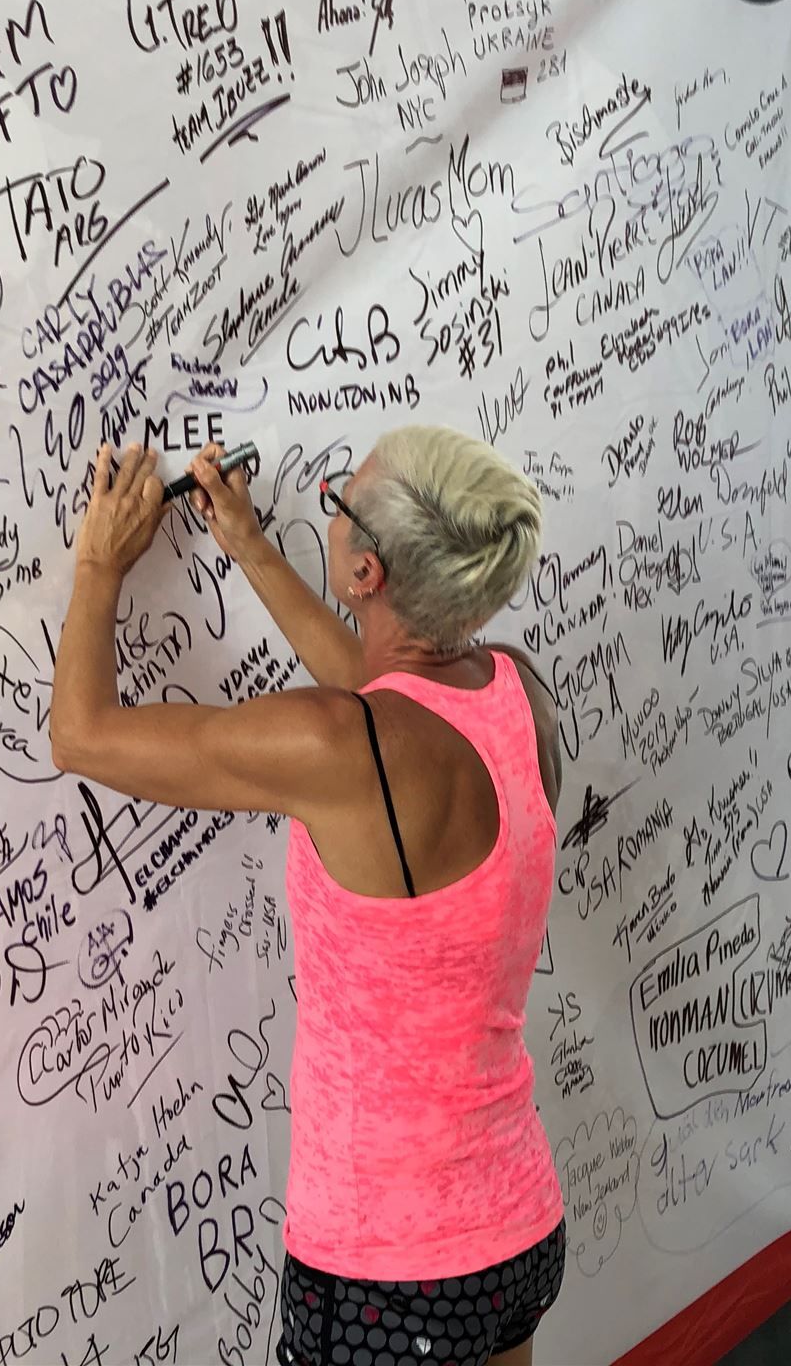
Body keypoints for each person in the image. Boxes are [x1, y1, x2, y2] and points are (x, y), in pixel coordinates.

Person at [50, 425, 566, 1366]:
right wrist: (249, 545)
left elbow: (81, 735)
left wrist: (98, 562)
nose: (325, 505)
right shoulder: (515, 693)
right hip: (517, 1228)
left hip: (389, 1271)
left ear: (367, 572)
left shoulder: (339, 748)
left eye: (337, 501)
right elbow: (389, 693)